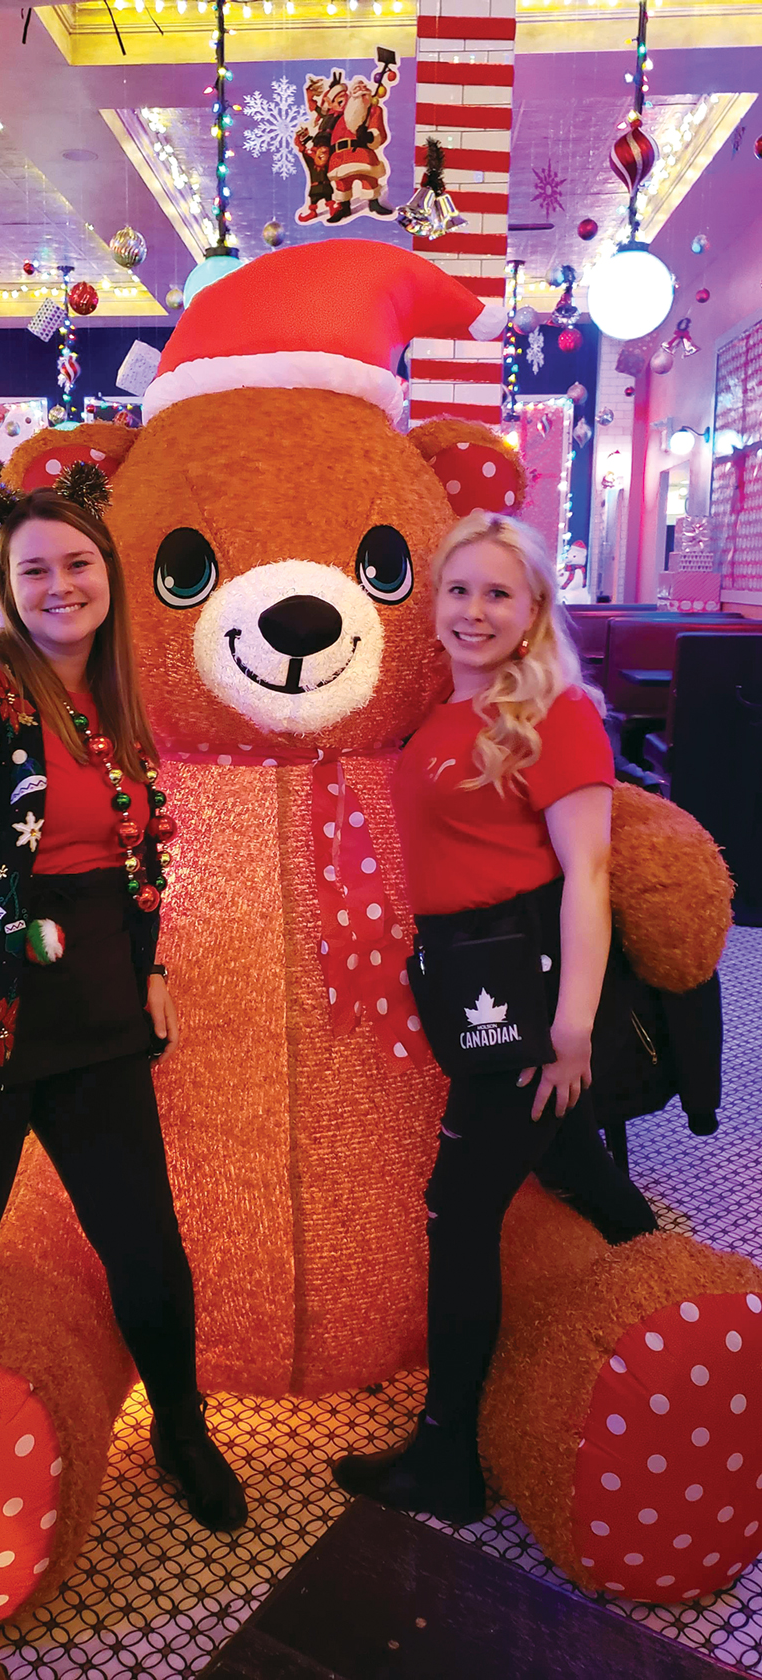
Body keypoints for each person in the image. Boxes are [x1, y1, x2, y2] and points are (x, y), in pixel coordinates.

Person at [0, 488, 247, 1534]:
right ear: (5, 584)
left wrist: (149, 969)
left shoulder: (116, 698)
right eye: (34, 570)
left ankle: (179, 1426)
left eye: (76, 563)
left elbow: (135, 856)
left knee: (144, 1240)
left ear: (108, 572)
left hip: (90, 1006)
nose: (59, 586)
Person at [332, 511, 658, 1524]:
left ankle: (446, 1459)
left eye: (497, 594)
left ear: (533, 613)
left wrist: (571, 1026)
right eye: (458, 591)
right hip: (470, 985)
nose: (473, 611)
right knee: (570, 1169)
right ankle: (673, 1301)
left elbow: (588, 875)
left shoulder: (555, 715)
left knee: (459, 1213)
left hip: (524, 989)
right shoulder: (444, 713)